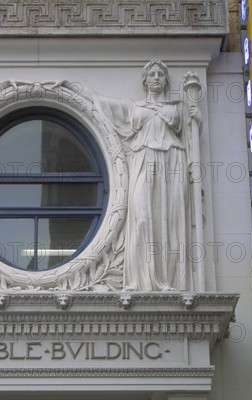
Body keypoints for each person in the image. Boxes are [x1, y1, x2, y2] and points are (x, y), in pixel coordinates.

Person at [67, 60, 201, 291]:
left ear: (167, 80)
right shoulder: (134, 107)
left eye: (161, 74)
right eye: (152, 74)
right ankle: (142, 280)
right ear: (145, 80)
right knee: (141, 216)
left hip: (172, 162)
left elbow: (191, 136)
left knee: (169, 219)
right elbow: (104, 104)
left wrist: (195, 118)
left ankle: (168, 282)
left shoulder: (177, 107)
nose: (157, 77)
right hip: (143, 161)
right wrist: (78, 89)